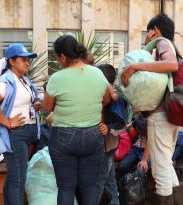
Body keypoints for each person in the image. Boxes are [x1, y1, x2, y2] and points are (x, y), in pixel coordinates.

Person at [43, 35, 111, 205]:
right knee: (89, 186)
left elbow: (47, 107)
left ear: (63, 56)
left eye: (57, 57)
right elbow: (107, 100)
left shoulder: (58, 78)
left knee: (66, 187)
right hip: (94, 135)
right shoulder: (97, 73)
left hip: (64, 136)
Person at [121, 13, 180, 204]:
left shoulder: (162, 42)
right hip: (170, 117)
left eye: (148, 32)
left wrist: (135, 66)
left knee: (160, 171)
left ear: (154, 30)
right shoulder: (170, 45)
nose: (146, 37)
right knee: (167, 167)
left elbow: (172, 65)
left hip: (161, 118)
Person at [0, 43, 41, 205]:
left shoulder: (23, 80)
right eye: (23, 59)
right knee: (18, 179)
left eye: (28, 59)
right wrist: (7, 122)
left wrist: (35, 105)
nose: (27, 62)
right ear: (12, 61)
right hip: (16, 134)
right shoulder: (5, 80)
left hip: (25, 132)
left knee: (15, 176)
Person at [95, 64, 127, 205]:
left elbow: (121, 124)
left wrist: (107, 128)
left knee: (100, 179)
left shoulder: (116, 101)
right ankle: (115, 201)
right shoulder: (97, 96)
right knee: (110, 177)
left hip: (108, 146)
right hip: (101, 145)